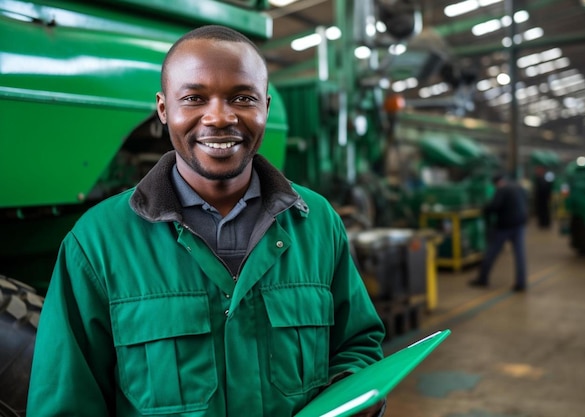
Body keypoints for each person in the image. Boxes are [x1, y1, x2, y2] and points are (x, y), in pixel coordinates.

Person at [27, 25, 386, 416]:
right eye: (195, 98)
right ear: (164, 109)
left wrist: (352, 388)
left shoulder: (317, 225)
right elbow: (66, 402)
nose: (219, 117)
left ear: (264, 106)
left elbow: (358, 343)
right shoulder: (97, 244)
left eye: (242, 98)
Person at [469, 173, 528, 292]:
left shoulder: (501, 190)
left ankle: (482, 278)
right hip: (520, 224)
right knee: (520, 255)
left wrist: (484, 209)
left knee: (491, 252)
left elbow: (494, 206)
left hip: (504, 227)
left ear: (496, 183)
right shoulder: (519, 187)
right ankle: (521, 283)